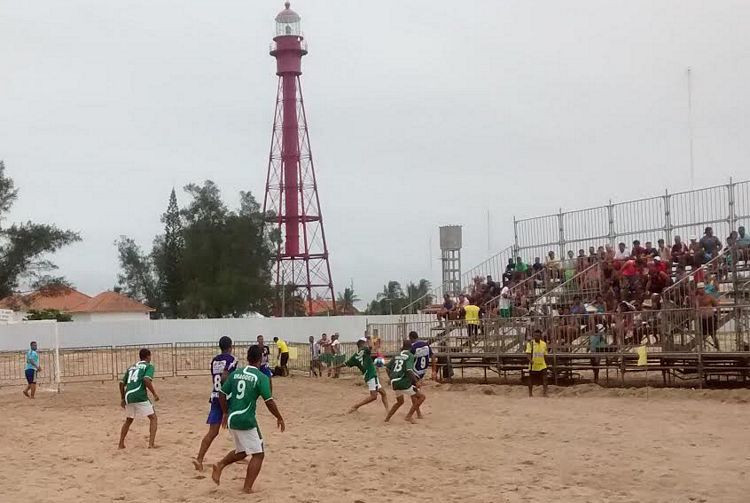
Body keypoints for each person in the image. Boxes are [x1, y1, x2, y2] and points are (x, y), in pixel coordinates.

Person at [212, 345, 285, 494]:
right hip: (246, 419)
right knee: (259, 454)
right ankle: (247, 488)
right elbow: (269, 401)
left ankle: (220, 465)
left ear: (247, 358)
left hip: (232, 418)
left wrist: (225, 413)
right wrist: (279, 417)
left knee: (244, 451)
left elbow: (221, 394)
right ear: (261, 359)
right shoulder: (261, 377)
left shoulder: (236, 373)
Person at [193, 336, 237, 471]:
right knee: (238, 428)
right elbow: (225, 377)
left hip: (214, 396)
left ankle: (199, 458)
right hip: (227, 398)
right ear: (230, 347)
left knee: (212, 432)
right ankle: (241, 453)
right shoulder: (232, 359)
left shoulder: (214, 360)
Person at [118, 348, 159, 449]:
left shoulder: (131, 367)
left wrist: (123, 398)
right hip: (139, 395)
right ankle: (151, 444)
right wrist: (154, 394)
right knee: (153, 418)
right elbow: (146, 379)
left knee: (128, 420)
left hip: (128, 395)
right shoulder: (149, 366)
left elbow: (121, 383)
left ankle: (121, 444)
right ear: (148, 356)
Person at [338, 337, 388, 413]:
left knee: (383, 393)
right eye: (365, 343)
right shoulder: (365, 350)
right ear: (362, 345)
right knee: (374, 396)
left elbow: (345, 364)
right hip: (371, 374)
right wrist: (370, 339)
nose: (366, 345)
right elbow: (371, 347)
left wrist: (334, 367)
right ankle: (356, 406)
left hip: (367, 375)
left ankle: (388, 411)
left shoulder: (354, 357)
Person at [385, 340, 425, 423]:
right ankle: (409, 416)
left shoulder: (397, 355)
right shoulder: (410, 356)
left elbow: (387, 368)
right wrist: (416, 381)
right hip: (403, 382)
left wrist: (391, 378)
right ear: (410, 348)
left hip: (394, 382)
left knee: (399, 402)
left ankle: (387, 419)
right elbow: (409, 370)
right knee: (421, 397)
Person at [409, 330, 432, 418]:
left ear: (411, 338)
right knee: (416, 392)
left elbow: (410, 359)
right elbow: (433, 356)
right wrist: (433, 371)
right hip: (423, 372)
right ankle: (418, 413)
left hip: (415, 372)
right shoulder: (426, 345)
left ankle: (417, 413)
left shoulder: (413, 347)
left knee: (413, 393)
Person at [525, 329, 548, 397]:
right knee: (531, 381)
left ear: (540, 336)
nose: (536, 337)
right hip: (533, 365)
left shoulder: (544, 344)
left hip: (542, 365)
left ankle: (545, 393)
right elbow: (528, 353)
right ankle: (530, 393)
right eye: (535, 335)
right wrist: (530, 360)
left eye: (538, 335)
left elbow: (545, 354)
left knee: (545, 380)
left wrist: (546, 362)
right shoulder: (530, 344)